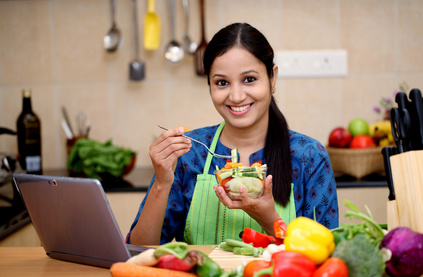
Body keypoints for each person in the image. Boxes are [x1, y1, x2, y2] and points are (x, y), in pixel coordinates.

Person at [127, 23, 338, 246]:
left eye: (249, 79)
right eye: (222, 83)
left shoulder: (309, 156)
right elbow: (138, 250)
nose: (236, 96)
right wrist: (161, 182)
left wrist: (270, 221)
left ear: (272, 77)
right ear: (209, 85)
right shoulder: (190, 153)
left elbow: (326, 254)